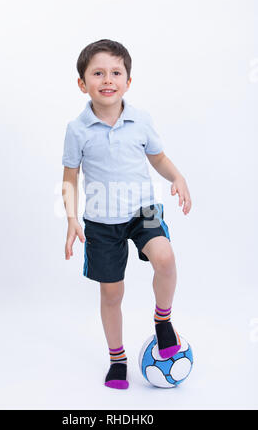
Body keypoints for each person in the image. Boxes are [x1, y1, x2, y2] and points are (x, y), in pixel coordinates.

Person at [62, 39, 192, 390]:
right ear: (82, 83)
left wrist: (177, 176)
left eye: (116, 72)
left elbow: (158, 158)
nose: (108, 79)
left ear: (128, 81)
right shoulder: (77, 130)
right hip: (102, 221)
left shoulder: (140, 120)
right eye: (98, 73)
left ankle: (162, 320)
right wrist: (73, 219)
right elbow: (70, 178)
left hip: (144, 210)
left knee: (164, 257)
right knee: (111, 293)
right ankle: (117, 359)